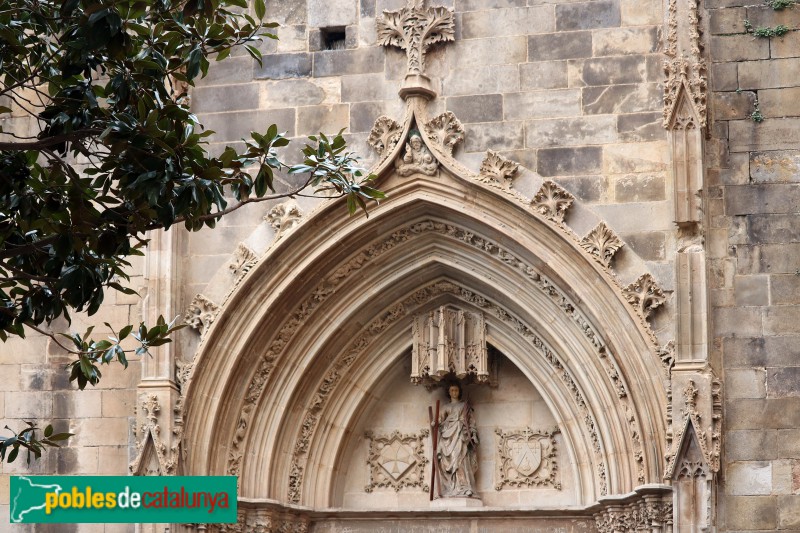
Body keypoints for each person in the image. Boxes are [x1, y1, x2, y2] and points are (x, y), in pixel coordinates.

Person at [433, 382, 479, 498]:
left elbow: (471, 421)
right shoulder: (446, 407)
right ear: (449, 392)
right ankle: (450, 487)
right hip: (448, 437)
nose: (454, 392)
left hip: (461, 436)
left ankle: (464, 486)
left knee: (460, 460)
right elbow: (439, 420)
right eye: (452, 390)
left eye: (456, 390)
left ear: (459, 392)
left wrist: (473, 434)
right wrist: (435, 423)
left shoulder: (464, 405)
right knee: (446, 462)